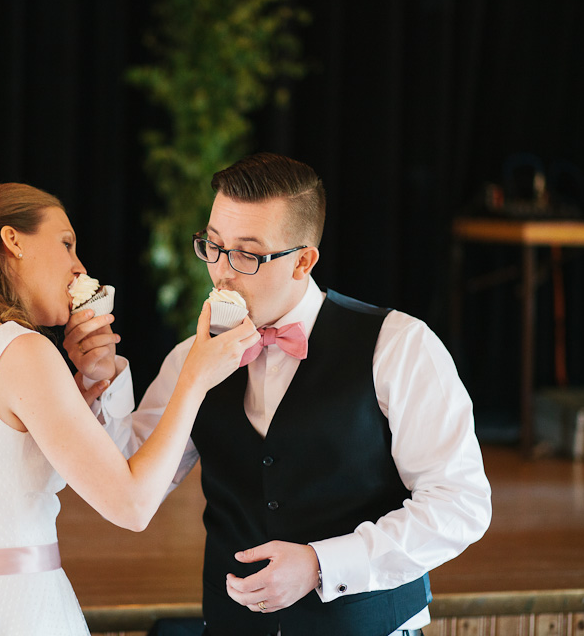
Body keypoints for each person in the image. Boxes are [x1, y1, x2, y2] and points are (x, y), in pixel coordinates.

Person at [64, 153, 492, 636]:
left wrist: (321, 564)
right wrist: (102, 379)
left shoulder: (398, 345)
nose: (222, 273)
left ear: (303, 261)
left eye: (247, 254)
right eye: (213, 246)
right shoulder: (191, 358)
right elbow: (130, 481)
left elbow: (460, 504)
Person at [0, 182, 259, 636]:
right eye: (66, 243)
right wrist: (196, 376)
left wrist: (89, 382)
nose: (79, 266)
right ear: (13, 241)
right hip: (11, 614)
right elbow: (132, 505)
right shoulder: (23, 350)